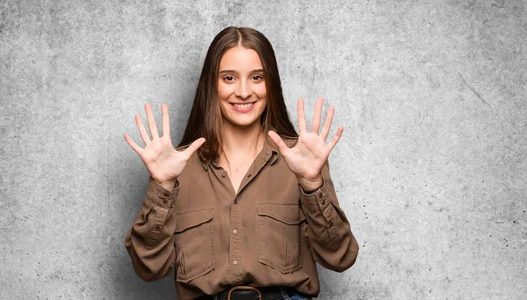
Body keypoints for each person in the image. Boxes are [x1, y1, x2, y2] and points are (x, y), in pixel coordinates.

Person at [123, 26, 358, 300]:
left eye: (256, 77)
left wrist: (311, 184)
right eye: (229, 78)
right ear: (212, 84)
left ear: (270, 83)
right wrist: (162, 186)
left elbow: (340, 257)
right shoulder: (178, 167)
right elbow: (148, 268)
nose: (244, 92)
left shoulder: (301, 160)